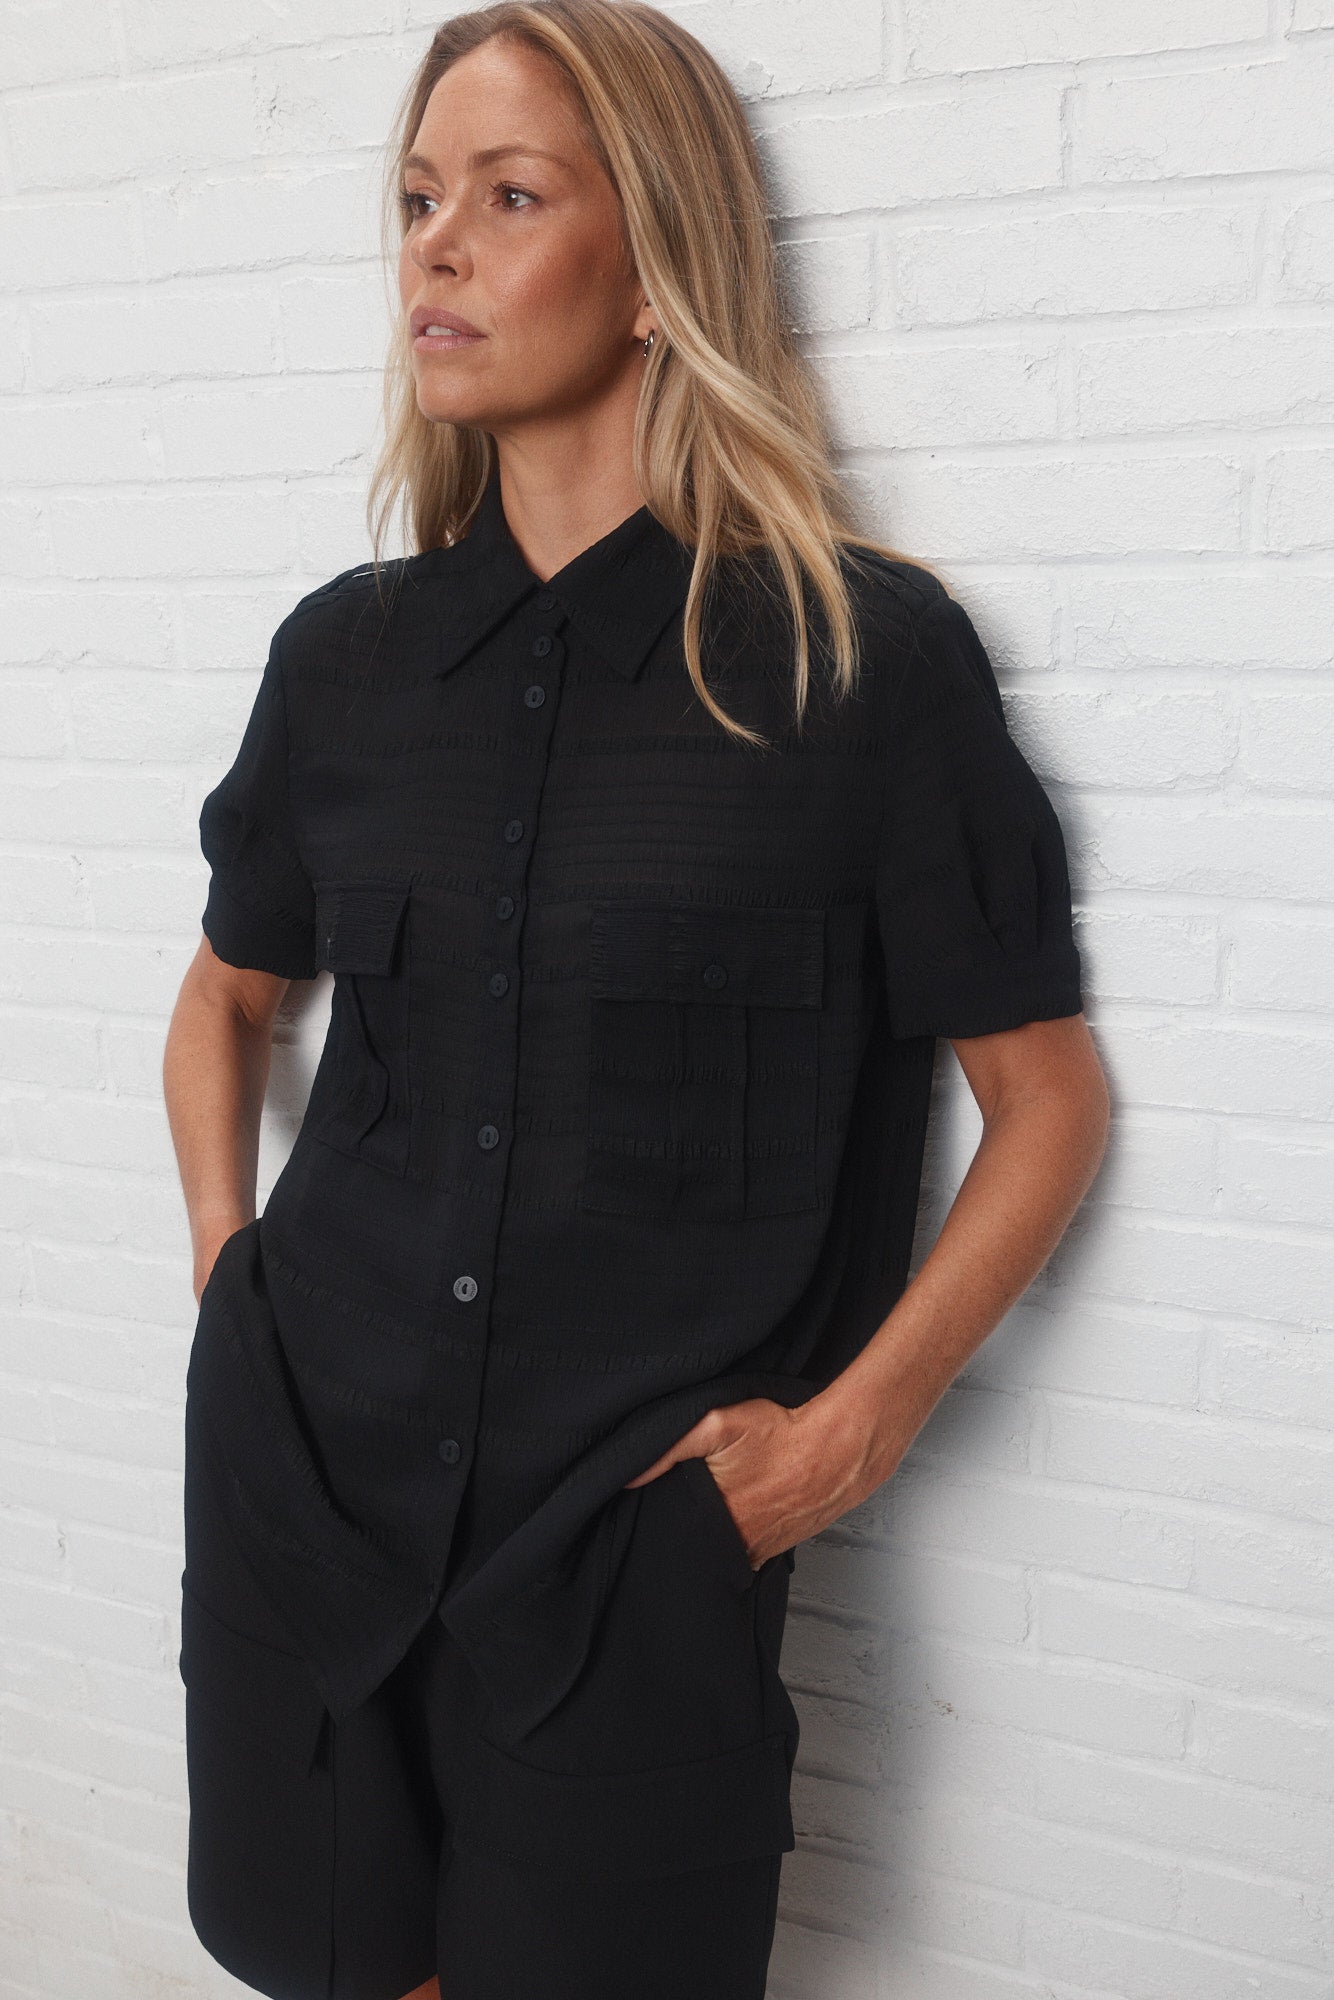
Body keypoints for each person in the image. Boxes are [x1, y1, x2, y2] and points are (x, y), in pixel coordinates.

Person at [161, 3, 1110, 1996]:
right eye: (417, 197)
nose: (435, 245)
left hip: (626, 1552)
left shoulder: (856, 663)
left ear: (660, 260)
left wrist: (848, 1436)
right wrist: (229, 1277)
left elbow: (1046, 1101)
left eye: (508, 197)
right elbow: (226, 999)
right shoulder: (342, 660)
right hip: (304, 1491)